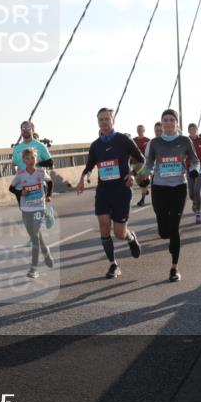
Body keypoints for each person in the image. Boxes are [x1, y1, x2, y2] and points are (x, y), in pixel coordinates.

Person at [76, 107, 144, 280]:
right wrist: (84, 177)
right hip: (104, 191)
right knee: (104, 224)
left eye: (107, 119)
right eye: (101, 120)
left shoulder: (124, 140)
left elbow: (141, 160)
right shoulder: (96, 145)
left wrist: (133, 175)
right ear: (97, 122)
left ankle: (130, 237)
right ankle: (113, 264)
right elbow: (90, 166)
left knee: (119, 233)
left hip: (122, 190)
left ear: (113, 121)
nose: (104, 122)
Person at [136, 109, 201, 282]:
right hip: (159, 188)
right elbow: (149, 164)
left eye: (172, 120)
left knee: (174, 228)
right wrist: (140, 174)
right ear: (161, 123)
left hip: (179, 187)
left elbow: (195, 160)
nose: (169, 122)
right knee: (164, 232)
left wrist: (194, 170)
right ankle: (168, 238)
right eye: (165, 120)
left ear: (176, 123)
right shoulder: (155, 142)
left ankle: (174, 268)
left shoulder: (185, 140)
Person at [8, 148, 55, 279]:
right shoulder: (21, 174)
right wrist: (20, 193)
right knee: (35, 235)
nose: (30, 161)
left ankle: (33, 268)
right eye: (27, 159)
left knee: (34, 237)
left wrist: (49, 195)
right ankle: (45, 252)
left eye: (32, 158)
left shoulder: (41, 172)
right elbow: (11, 188)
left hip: (39, 207)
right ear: (24, 160)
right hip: (26, 209)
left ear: (36, 159)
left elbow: (50, 182)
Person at [187, 123, 201, 224]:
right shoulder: (186, 141)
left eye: (194, 129)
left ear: (197, 130)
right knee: (191, 193)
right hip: (190, 168)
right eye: (191, 129)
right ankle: (194, 202)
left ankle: (198, 213)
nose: (193, 131)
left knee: (197, 190)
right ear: (188, 131)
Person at [133, 125, 151, 207]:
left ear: (144, 130)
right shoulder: (134, 140)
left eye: (141, 129)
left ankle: (142, 199)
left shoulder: (148, 140)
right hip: (135, 164)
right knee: (139, 181)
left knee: (144, 181)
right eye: (138, 129)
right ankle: (145, 189)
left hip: (145, 164)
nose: (139, 130)